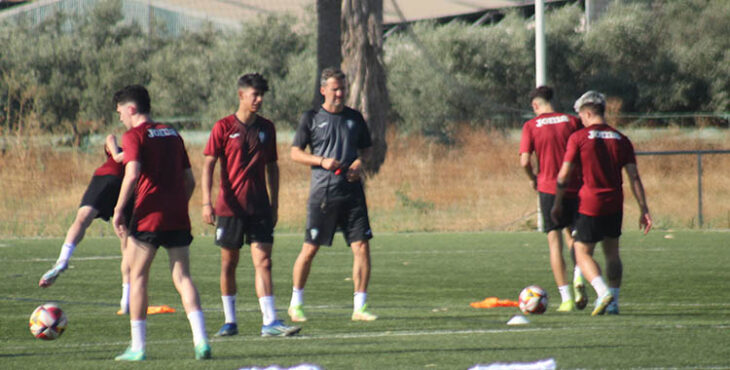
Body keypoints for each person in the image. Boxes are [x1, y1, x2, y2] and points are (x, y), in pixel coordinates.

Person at [111, 85, 210, 361]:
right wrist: (178, 203)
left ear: (131, 109)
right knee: (183, 277)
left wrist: (119, 210)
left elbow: (132, 174)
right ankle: (201, 342)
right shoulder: (172, 133)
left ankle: (138, 347)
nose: (120, 118)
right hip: (177, 216)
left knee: (136, 276)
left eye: (120, 112)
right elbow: (189, 180)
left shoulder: (133, 136)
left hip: (148, 216)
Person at [201, 73, 300, 337]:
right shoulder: (223, 127)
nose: (258, 99)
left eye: (261, 95)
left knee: (264, 261)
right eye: (254, 94)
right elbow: (208, 165)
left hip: (259, 207)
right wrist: (205, 203)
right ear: (241, 95)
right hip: (229, 208)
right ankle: (230, 320)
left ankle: (270, 322)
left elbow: (272, 167)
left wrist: (275, 203)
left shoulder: (267, 127)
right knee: (228, 263)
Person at [551, 90, 652, 316]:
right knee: (612, 253)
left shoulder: (578, 138)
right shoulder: (621, 139)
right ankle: (614, 302)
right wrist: (644, 209)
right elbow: (634, 176)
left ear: (588, 113)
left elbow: (563, 175)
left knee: (582, 252)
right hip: (615, 202)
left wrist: (557, 203)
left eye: (581, 116)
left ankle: (601, 290)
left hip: (590, 202)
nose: (580, 121)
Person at [288, 67, 376, 322]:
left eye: (343, 89)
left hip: (353, 194)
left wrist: (360, 163)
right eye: (335, 89)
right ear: (323, 90)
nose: (339, 94)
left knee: (361, 247)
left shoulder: (355, 118)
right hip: (323, 194)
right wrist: (322, 161)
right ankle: (296, 304)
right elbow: (295, 152)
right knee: (310, 249)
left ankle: (359, 307)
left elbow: (367, 151)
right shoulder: (312, 117)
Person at [39, 134, 134, 315]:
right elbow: (110, 139)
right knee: (125, 239)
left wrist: (117, 155)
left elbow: (110, 138)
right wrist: (117, 154)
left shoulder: (134, 147)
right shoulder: (138, 150)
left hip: (112, 179)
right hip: (127, 185)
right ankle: (126, 297)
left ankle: (63, 260)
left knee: (83, 218)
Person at [519, 86, 587, 312]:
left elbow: (525, 161)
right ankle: (580, 276)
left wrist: (533, 179)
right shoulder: (572, 121)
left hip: (548, 187)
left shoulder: (531, 126)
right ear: (552, 101)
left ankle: (566, 298)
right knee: (575, 238)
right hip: (574, 187)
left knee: (554, 242)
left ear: (535, 105)